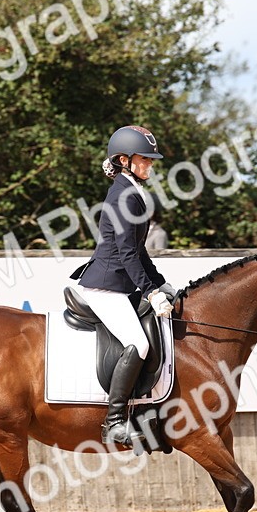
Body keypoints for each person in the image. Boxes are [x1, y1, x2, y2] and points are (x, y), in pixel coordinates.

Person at [70, 125, 176, 449]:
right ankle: (114, 422)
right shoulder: (123, 195)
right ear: (123, 159)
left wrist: (160, 283)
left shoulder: (130, 190)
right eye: (144, 159)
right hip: (106, 287)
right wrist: (150, 292)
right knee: (138, 343)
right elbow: (127, 254)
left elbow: (139, 250)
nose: (150, 164)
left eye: (150, 159)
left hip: (118, 284)